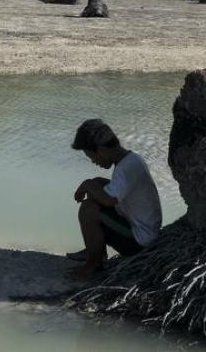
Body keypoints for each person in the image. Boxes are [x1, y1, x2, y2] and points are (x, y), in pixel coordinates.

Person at [66, 119, 162, 279]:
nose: (93, 161)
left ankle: (93, 265)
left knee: (88, 209)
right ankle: (94, 250)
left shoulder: (125, 168)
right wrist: (95, 183)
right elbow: (119, 191)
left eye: (91, 156)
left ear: (101, 150)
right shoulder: (130, 160)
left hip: (140, 240)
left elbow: (109, 200)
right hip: (143, 230)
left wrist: (88, 184)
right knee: (96, 189)